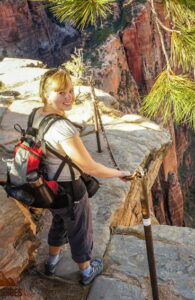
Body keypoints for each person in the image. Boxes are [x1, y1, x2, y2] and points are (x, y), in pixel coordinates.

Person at [33, 68, 131, 285]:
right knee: (80, 230)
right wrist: (120, 173)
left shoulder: (37, 114)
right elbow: (91, 167)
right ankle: (86, 271)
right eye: (61, 92)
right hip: (70, 189)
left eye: (70, 90)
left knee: (59, 221)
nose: (68, 97)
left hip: (48, 186)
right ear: (46, 94)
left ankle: (51, 261)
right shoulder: (62, 128)